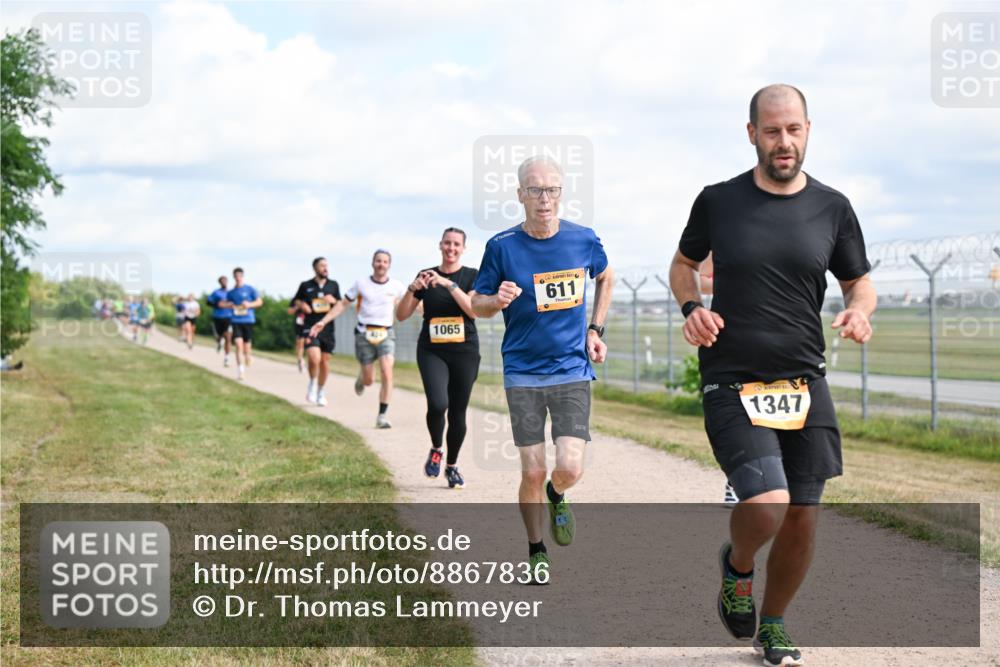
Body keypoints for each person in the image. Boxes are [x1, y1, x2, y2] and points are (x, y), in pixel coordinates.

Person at [669, 84, 876, 667]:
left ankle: (775, 623)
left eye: (793, 130)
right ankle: (737, 568)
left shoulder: (833, 207)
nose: (783, 142)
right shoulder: (718, 201)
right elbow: (683, 265)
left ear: (808, 129)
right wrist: (692, 309)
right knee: (768, 500)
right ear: (752, 133)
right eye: (771, 131)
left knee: (803, 514)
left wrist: (859, 310)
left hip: (804, 381)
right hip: (733, 378)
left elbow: (859, 280)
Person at [470, 156, 613, 584]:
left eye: (551, 189)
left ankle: (557, 494)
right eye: (535, 190)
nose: (544, 198)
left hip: (571, 367)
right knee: (531, 469)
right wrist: (496, 299)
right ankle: (536, 549)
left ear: (561, 194)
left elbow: (606, 277)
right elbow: (476, 304)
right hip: (523, 372)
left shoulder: (583, 240)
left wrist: (595, 329)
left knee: (569, 468)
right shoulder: (502, 246)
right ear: (520, 196)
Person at [396, 228, 480, 489]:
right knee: (437, 403)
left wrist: (448, 283)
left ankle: (452, 466)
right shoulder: (425, 274)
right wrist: (413, 288)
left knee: (458, 412)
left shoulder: (471, 276)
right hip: (432, 349)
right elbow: (401, 314)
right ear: (440, 245)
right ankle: (436, 448)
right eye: (447, 243)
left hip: (464, 351)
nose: (451, 248)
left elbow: (473, 310)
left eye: (456, 244)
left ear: (463, 248)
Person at [311, 250, 405, 428]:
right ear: (372, 263)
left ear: (389, 265)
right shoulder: (361, 284)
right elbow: (342, 304)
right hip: (364, 333)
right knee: (370, 380)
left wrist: (433, 314)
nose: (381, 264)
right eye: (378, 261)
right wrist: (323, 321)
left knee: (387, 371)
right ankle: (363, 377)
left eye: (385, 262)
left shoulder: (396, 286)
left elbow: (412, 304)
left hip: (386, 333)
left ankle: (382, 416)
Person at [292, 257, 344, 407]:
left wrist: (333, 301)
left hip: (327, 328)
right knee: (314, 358)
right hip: (311, 326)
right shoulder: (306, 285)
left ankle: (321, 391)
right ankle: (312, 384)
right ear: (315, 268)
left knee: (324, 362)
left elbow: (340, 304)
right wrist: (303, 305)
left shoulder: (333, 285)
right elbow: (295, 301)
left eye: (326, 266)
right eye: (322, 266)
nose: (325, 268)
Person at [219, 267, 263, 380]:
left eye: (240, 276)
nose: (238, 278)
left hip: (248, 320)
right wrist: (229, 305)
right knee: (238, 344)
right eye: (236, 276)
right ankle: (241, 371)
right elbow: (225, 304)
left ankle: (248, 356)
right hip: (236, 321)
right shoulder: (231, 292)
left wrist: (249, 304)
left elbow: (259, 302)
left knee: (247, 346)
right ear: (234, 277)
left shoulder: (250, 289)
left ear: (242, 276)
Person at [206, 276, 234, 367]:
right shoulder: (216, 292)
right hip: (218, 317)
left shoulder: (231, 293)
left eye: (225, 280)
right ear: (219, 283)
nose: (224, 282)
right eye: (222, 281)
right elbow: (208, 302)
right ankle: (219, 342)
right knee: (219, 336)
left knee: (228, 337)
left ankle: (227, 358)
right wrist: (217, 304)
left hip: (229, 317)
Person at [289, 298, 307, 374]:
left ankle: (303, 361)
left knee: (306, 344)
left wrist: (304, 306)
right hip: (299, 324)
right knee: (299, 344)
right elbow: (290, 311)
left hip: (309, 323)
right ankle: (301, 361)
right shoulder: (295, 299)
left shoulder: (310, 297)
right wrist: (297, 307)